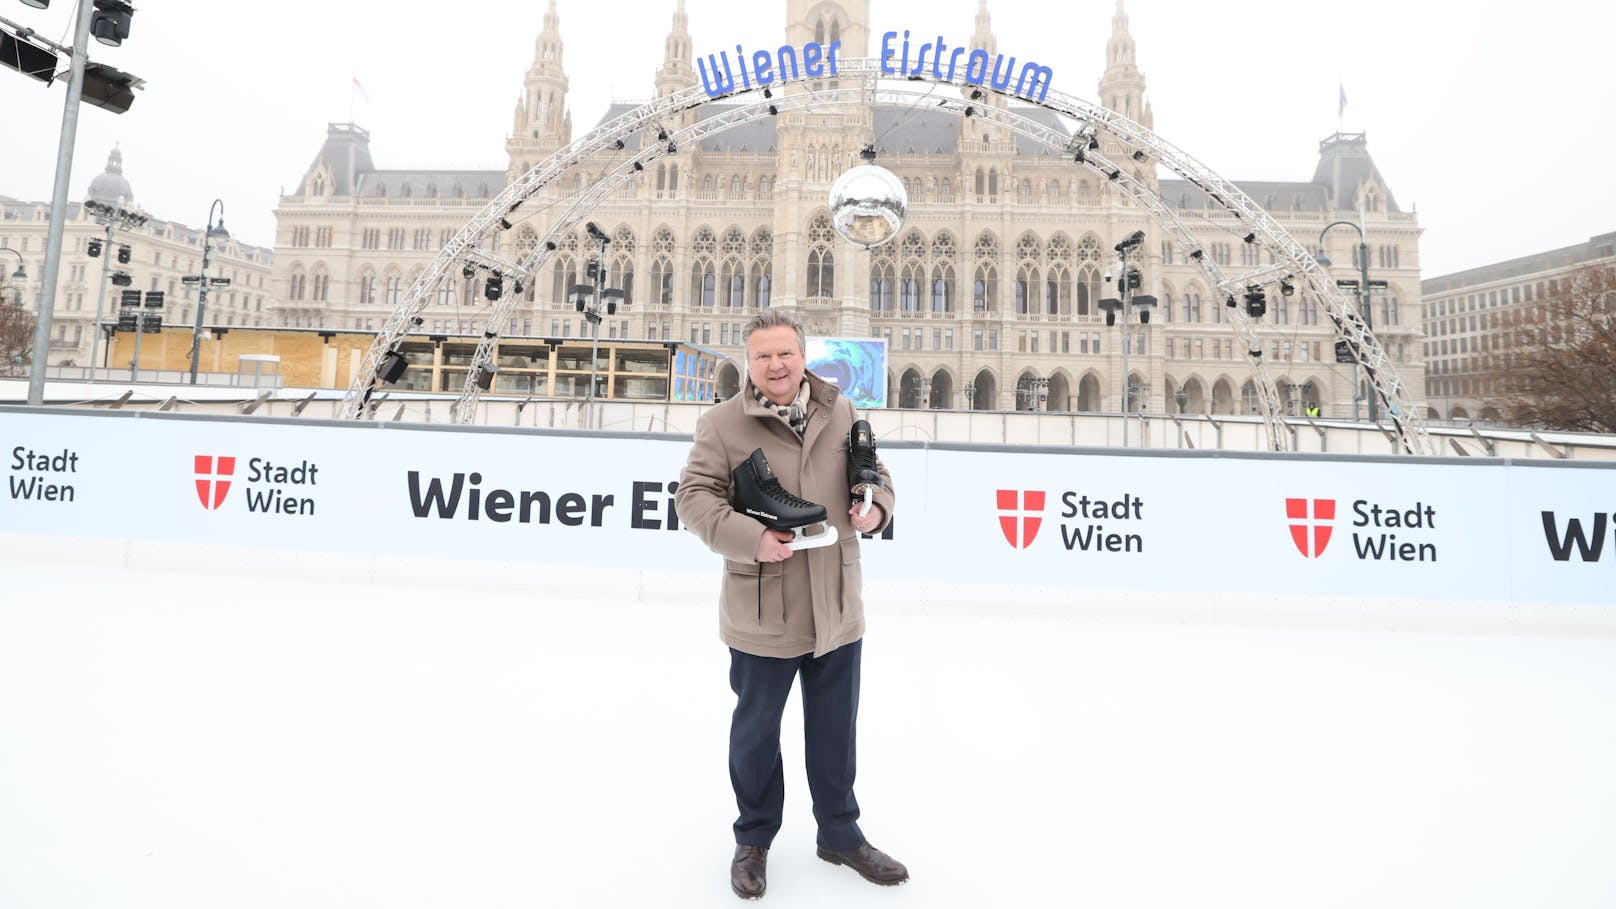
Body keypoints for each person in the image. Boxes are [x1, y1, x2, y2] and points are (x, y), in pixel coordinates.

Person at [675, 309, 906, 900]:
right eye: (762, 356)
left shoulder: (843, 410)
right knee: (755, 734)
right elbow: (694, 498)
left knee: (835, 730)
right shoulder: (722, 423)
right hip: (763, 607)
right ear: (748, 363)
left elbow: (874, 472)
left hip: (835, 605)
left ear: (803, 355)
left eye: (784, 353)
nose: (775, 365)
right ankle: (753, 839)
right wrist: (751, 539)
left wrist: (875, 507)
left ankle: (840, 834)